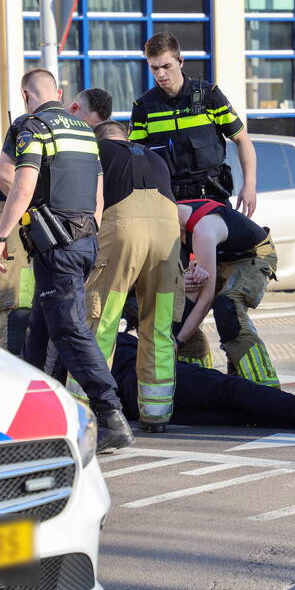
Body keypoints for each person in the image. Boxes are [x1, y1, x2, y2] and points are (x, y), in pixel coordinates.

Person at [0, 69, 133, 453]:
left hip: (58, 249)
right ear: (59, 91)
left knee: (69, 329)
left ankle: (110, 415)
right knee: (40, 332)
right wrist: (87, 234)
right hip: (84, 241)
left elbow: (21, 185)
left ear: (26, 95)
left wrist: (1, 237)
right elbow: (98, 193)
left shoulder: (34, 127)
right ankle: (33, 419)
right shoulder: (84, 131)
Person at [113, 303, 295, 432]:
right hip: (144, 375)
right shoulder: (86, 332)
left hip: (136, 398)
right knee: (230, 389)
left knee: (238, 414)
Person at [0, 88, 113, 354]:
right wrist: (41, 214)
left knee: (48, 320)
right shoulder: (29, 126)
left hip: (47, 243)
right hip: (23, 237)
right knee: (17, 313)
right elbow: (6, 177)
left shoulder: (62, 129)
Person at [85, 120, 180, 433]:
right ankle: (157, 414)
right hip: (167, 232)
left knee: (103, 321)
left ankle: (88, 410)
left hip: (124, 228)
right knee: (159, 323)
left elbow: (91, 203)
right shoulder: (153, 156)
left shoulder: (97, 150)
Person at [129, 32, 258, 216]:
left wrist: (250, 185)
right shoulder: (143, 107)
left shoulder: (210, 96)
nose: (161, 74)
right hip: (167, 202)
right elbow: (136, 159)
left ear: (180, 61)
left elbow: (242, 139)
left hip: (212, 197)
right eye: (154, 68)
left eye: (166, 66)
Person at [176, 198, 279, 388]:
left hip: (251, 256)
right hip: (219, 258)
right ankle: (198, 382)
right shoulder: (174, 223)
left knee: (228, 307)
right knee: (179, 312)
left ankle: (264, 386)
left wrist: (178, 342)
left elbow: (206, 300)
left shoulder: (203, 229)